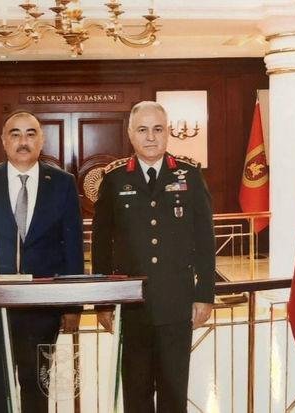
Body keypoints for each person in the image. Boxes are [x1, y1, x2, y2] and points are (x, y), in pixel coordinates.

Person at [92, 101, 215, 412]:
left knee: (174, 392)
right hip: (132, 305)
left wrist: (204, 294)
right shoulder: (115, 179)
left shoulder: (189, 175)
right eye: (143, 130)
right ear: (130, 134)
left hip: (176, 303)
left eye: (157, 129)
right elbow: (101, 245)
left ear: (168, 132)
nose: (150, 137)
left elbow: (204, 239)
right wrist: (103, 301)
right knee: (136, 393)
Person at [0, 110, 84, 413]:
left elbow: (73, 248)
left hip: (43, 307)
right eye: (15, 134)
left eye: (30, 134)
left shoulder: (63, 183)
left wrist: (72, 305)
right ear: (3, 141)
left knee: (36, 388)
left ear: (41, 140)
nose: (23, 141)